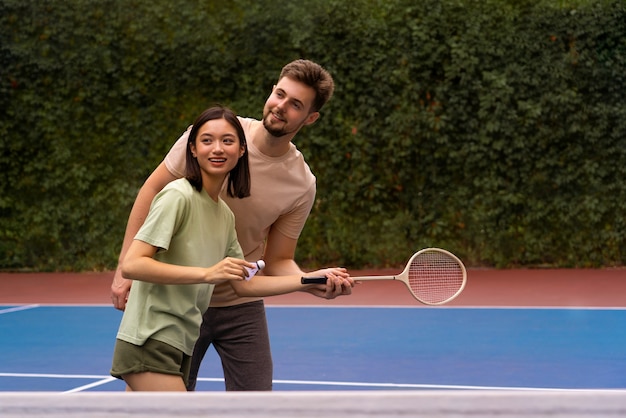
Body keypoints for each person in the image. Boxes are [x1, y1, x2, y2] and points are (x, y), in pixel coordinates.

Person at [110, 59, 354, 391]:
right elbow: (152, 191)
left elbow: (277, 260)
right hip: (176, 301)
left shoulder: (299, 184)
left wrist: (308, 281)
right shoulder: (215, 137)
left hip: (239, 302)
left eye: (295, 104)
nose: (281, 107)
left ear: (310, 118)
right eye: (280, 94)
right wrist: (126, 268)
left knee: (254, 404)